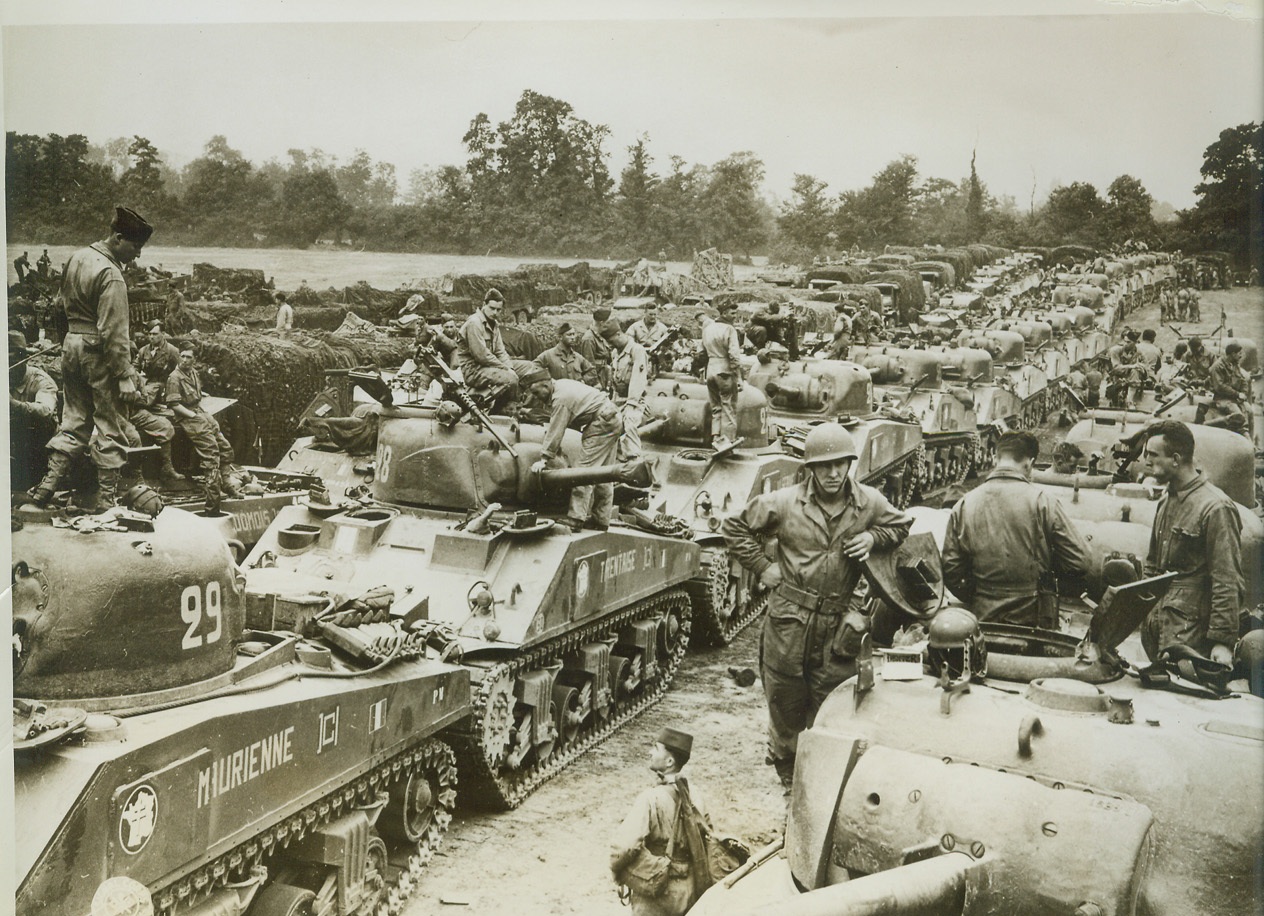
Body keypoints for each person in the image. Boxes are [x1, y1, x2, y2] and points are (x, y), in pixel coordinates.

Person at [722, 422, 912, 787]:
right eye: (824, 465)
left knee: (835, 708)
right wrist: (762, 567)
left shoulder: (869, 502)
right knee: (785, 705)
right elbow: (734, 527)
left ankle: (825, 785)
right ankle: (790, 786)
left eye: (840, 463)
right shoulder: (785, 502)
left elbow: (901, 526)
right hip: (789, 623)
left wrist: (873, 537)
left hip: (838, 627)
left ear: (849, 464)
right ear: (810, 468)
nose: (833, 472)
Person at [31, 207, 151, 510]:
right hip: (98, 353)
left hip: (71, 346)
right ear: (118, 237)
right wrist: (124, 374)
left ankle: (45, 489)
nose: (137, 255)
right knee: (111, 424)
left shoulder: (77, 257)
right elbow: (114, 330)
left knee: (72, 421)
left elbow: (59, 308)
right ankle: (106, 501)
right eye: (135, 247)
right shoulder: (112, 274)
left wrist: (66, 342)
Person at [941, 431, 1092, 628]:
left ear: (995, 458)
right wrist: (1046, 573)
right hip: (1033, 618)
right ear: (1029, 463)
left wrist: (980, 592)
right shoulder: (1044, 501)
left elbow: (951, 569)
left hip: (982, 616)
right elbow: (1081, 562)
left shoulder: (964, 504)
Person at [1140, 420, 1244, 667]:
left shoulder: (1215, 507)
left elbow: (1227, 579)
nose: (1146, 461)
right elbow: (1153, 565)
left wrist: (1222, 641)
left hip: (1192, 638)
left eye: (1153, 455)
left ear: (1175, 459)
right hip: (1160, 628)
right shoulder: (1167, 502)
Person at [610, 727, 710, 916]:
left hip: (655, 889)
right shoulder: (696, 796)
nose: (650, 752)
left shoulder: (650, 798)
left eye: (655, 749)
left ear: (669, 761)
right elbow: (708, 837)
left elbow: (625, 847)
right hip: (689, 889)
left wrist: (618, 872)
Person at [524, 366, 624, 531]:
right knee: (604, 474)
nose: (536, 398)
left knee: (584, 472)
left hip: (601, 422)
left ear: (546, 386)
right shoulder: (561, 385)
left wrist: (544, 459)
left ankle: (576, 519)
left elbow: (556, 430)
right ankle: (601, 519)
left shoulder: (561, 399)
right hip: (611, 417)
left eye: (536, 393)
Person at [166, 347, 241, 513]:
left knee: (225, 446)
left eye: (188, 357)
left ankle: (227, 484)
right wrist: (192, 416)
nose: (185, 360)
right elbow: (173, 404)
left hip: (199, 410)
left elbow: (195, 392)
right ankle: (213, 503)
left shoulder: (193, 372)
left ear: (194, 360)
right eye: (182, 356)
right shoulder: (174, 378)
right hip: (187, 415)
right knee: (211, 453)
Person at [454, 288, 524, 412]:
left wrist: (510, 368)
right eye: (492, 308)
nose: (495, 312)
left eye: (498, 310)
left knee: (525, 370)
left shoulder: (494, 324)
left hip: (487, 368)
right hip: (473, 371)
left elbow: (500, 351)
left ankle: (515, 405)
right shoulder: (474, 323)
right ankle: (500, 410)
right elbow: (481, 355)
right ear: (484, 305)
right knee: (511, 379)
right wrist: (506, 369)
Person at [9, 331, 58, 491]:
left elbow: (45, 411)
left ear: (22, 358)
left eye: (9, 360)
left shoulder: (40, 380)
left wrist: (12, 404)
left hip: (40, 447)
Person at [603, 325, 651, 460]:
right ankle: (618, 462)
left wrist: (631, 404)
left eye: (611, 341)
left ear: (619, 334)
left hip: (634, 399)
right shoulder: (615, 352)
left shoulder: (637, 350)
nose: (610, 345)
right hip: (617, 397)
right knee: (610, 426)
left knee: (630, 426)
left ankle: (635, 462)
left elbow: (638, 378)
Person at [701, 304, 744, 449]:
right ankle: (728, 442)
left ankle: (715, 439)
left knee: (716, 408)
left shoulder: (707, 329)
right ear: (724, 313)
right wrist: (738, 377)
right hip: (724, 371)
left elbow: (701, 353)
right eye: (733, 313)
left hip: (711, 371)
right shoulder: (729, 329)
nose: (735, 316)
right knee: (729, 406)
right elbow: (734, 355)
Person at [1206, 341, 1251, 429]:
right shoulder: (1217, 366)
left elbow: (1243, 380)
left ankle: (1251, 440)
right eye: (1239, 353)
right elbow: (1220, 386)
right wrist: (1237, 394)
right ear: (1233, 354)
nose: (1241, 356)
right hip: (1223, 399)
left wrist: (1244, 393)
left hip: (1236, 398)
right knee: (1240, 418)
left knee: (1250, 412)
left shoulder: (1235, 364)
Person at [577, 308, 614, 392]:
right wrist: (595, 383)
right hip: (597, 380)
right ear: (602, 323)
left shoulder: (600, 335)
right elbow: (588, 364)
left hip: (604, 375)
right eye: (608, 321)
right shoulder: (588, 339)